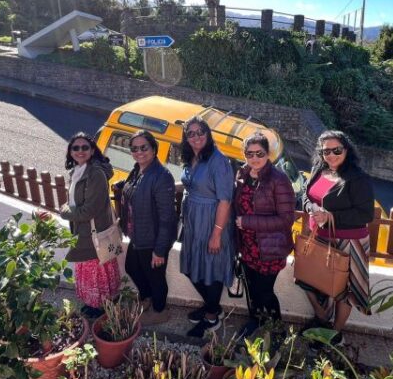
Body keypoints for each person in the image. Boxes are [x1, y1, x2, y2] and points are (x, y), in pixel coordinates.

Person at [299, 130, 375, 340]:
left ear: (346, 150)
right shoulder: (318, 169)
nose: (331, 155)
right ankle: (322, 317)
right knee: (311, 280)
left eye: (336, 150)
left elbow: (366, 214)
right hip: (320, 236)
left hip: (349, 241)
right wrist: (312, 208)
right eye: (326, 151)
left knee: (344, 290)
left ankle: (335, 333)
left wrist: (330, 216)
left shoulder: (357, 179)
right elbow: (305, 195)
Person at [233, 132, 295, 336]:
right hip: (248, 245)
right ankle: (255, 320)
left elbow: (286, 219)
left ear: (267, 154)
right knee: (251, 287)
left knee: (265, 291)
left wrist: (247, 222)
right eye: (249, 154)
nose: (254, 158)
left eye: (259, 153)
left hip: (270, 248)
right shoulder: (242, 174)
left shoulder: (279, 179)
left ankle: (277, 330)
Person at [179, 116, 235, 338]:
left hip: (212, 221)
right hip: (193, 221)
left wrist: (217, 234)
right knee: (194, 267)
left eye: (200, 131)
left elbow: (225, 200)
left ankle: (212, 318)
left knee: (211, 268)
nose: (196, 136)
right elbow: (191, 184)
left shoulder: (218, 161)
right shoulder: (191, 157)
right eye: (190, 133)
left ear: (208, 133)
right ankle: (213, 306)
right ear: (185, 137)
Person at [115, 130, 177, 325]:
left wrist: (159, 250)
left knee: (155, 276)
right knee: (132, 267)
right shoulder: (138, 170)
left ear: (154, 149)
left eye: (144, 148)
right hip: (138, 233)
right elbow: (138, 190)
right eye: (134, 148)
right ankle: (147, 297)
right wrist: (122, 185)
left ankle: (160, 310)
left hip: (154, 238)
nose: (139, 152)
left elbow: (167, 217)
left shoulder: (162, 176)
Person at [59, 132, 120, 318]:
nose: (80, 151)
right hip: (85, 231)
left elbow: (88, 211)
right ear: (70, 152)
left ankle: (100, 306)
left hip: (94, 232)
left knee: (96, 271)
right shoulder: (78, 171)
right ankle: (96, 303)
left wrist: (64, 211)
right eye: (75, 148)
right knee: (92, 270)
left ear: (93, 151)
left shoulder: (96, 174)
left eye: (85, 147)